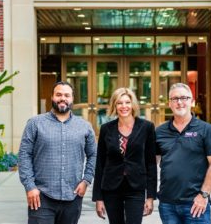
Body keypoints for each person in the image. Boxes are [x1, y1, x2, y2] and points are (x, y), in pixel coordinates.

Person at [18, 81, 97, 224]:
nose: (63, 98)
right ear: (52, 97)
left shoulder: (84, 126)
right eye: (58, 94)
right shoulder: (35, 123)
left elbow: (94, 155)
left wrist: (86, 180)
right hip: (41, 197)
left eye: (67, 95)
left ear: (73, 99)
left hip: (72, 197)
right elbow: (24, 155)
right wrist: (30, 186)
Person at [156, 83, 211, 224]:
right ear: (169, 103)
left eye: (184, 98)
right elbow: (151, 163)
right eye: (174, 99)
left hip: (195, 203)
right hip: (167, 204)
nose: (179, 102)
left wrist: (204, 195)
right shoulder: (160, 132)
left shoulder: (207, 130)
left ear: (191, 102)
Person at [92, 87, 157, 224]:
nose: (124, 106)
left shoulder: (147, 127)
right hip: (111, 188)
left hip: (136, 188)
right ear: (114, 106)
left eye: (127, 102)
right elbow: (100, 164)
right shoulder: (106, 129)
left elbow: (151, 163)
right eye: (119, 103)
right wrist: (98, 198)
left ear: (133, 105)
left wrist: (150, 196)